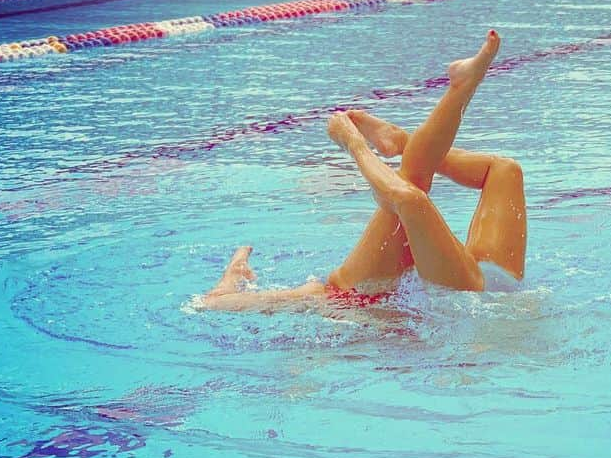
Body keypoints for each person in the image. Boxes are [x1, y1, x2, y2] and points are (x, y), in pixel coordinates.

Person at [199, 30, 526, 313]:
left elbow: (407, 198)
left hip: (381, 294)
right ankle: (418, 125)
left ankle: (433, 112)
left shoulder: (333, 298)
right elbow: (406, 199)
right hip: (490, 283)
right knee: (503, 170)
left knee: (411, 187)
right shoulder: (331, 297)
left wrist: (353, 143)